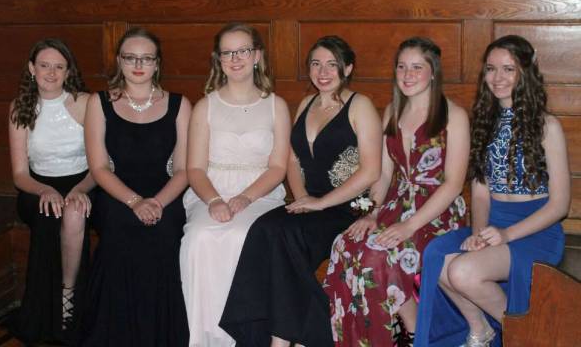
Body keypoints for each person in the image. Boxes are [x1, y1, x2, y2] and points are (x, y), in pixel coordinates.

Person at [220, 35, 382, 347]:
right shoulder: (307, 104)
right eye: (316, 64)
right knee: (263, 229)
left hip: (346, 208)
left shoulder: (360, 106)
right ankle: (258, 335)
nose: (323, 71)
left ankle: (283, 341)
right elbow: (292, 159)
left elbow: (371, 171)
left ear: (347, 68)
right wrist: (302, 199)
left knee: (284, 237)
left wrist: (320, 204)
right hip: (311, 205)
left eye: (332, 64)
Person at [414, 35, 570, 347]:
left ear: (525, 72)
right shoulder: (485, 123)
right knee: (437, 258)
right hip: (493, 224)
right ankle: (480, 331)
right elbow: (481, 193)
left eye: (508, 69)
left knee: (463, 273)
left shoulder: (547, 126)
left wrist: (506, 235)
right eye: (490, 69)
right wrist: (481, 231)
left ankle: (529, 337)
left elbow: (560, 205)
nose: (497, 78)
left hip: (535, 231)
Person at [323, 37, 469, 347]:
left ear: (433, 72)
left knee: (377, 255)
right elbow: (385, 173)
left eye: (417, 67)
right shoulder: (392, 110)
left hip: (437, 211)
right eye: (402, 67)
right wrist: (371, 213)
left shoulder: (453, 116)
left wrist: (409, 226)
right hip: (396, 202)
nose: (408, 74)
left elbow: (454, 184)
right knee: (345, 245)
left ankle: (414, 332)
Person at [179, 22, 290, 347]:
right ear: (219, 59)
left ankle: (245, 336)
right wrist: (214, 201)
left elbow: (278, 167)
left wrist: (244, 198)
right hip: (209, 190)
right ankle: (205, 339)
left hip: (261, 193)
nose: (235, 58)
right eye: (227, 52)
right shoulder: (205, 106)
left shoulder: (276, 105)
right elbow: (195, 168)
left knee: (243, 235)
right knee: (199, 238)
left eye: (242, 50)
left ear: (257, 56)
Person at [79, 27, 191, 346]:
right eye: (130, 57)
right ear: (119, 61)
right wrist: (134, 202)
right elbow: (98, 168)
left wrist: (155, 203)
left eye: (146, 58)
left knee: (165, 230)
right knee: (118, 227)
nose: (138, 64)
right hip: (117, 193)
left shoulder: (180, 105)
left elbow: (184, 170)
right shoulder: (98, 103)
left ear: (157, 63)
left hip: (166, 195)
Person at [8, 38, 94, 344]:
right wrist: (44, 190)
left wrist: (80, 189)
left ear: (68, 71)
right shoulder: (21, 107)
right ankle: (41, 314)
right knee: (47, 215)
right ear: (32, 69)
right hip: (37, 186)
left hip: (84, 182)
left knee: (73, 212)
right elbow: (19, 174)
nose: (51, 72)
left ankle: (69, 301)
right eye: (44, 65)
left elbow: (101, 164)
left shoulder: (85, 103)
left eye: (59, 66)